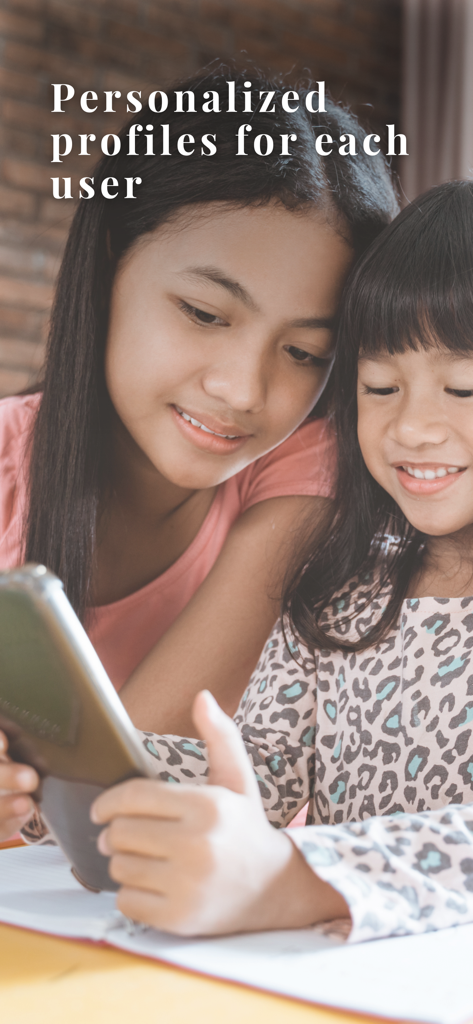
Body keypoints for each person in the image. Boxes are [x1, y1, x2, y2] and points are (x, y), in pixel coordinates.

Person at [65, 179, 473, 941]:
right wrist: (79, 777)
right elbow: (255, 770)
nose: (413, 427)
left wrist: (298, 881)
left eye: (461, 386)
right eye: (379, 385)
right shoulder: (338, 597)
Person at [0, 65, 397, 766]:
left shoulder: (312, 461)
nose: (244, 390)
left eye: (306, 351)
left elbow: (121, 791)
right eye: (205, 313)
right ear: (109, 264)